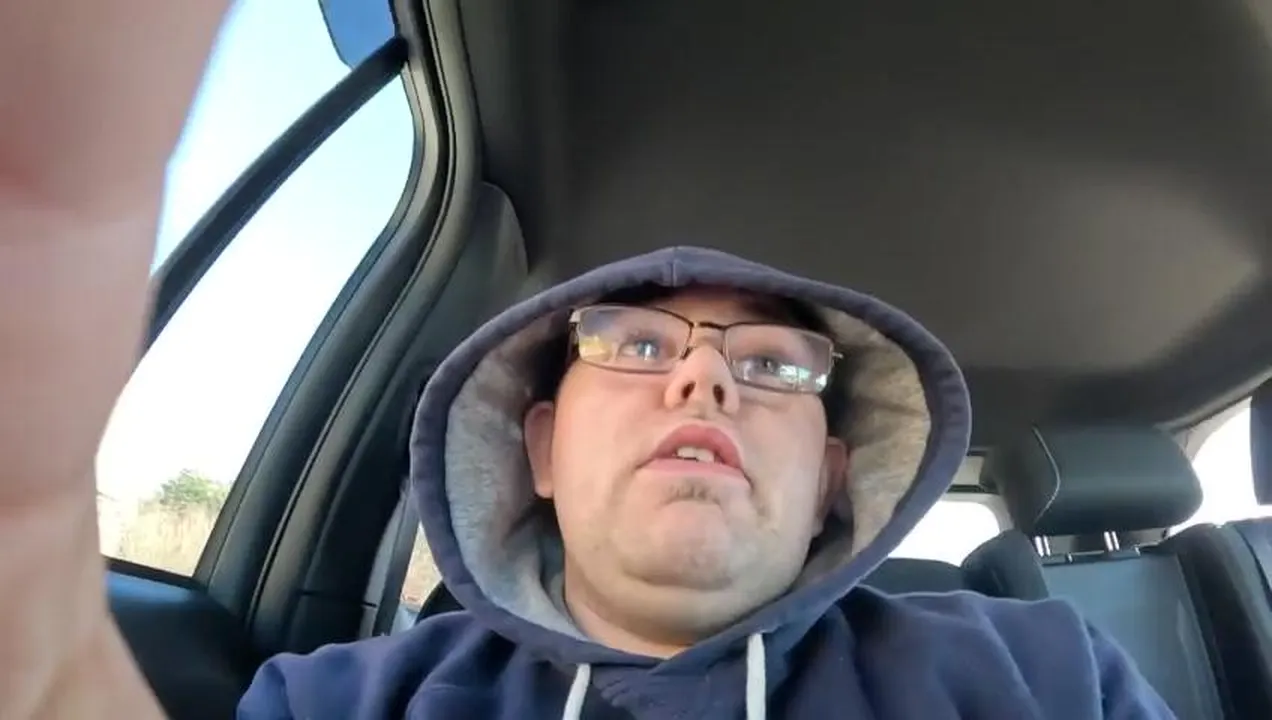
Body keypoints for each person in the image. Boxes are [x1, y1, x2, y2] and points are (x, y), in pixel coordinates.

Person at [0, 3, 1172, 719]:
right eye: (638, 344)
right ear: (545, 448)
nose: (703, 381)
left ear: (832, 476)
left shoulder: (1041, 679)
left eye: (774, 365)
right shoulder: (348, 701)